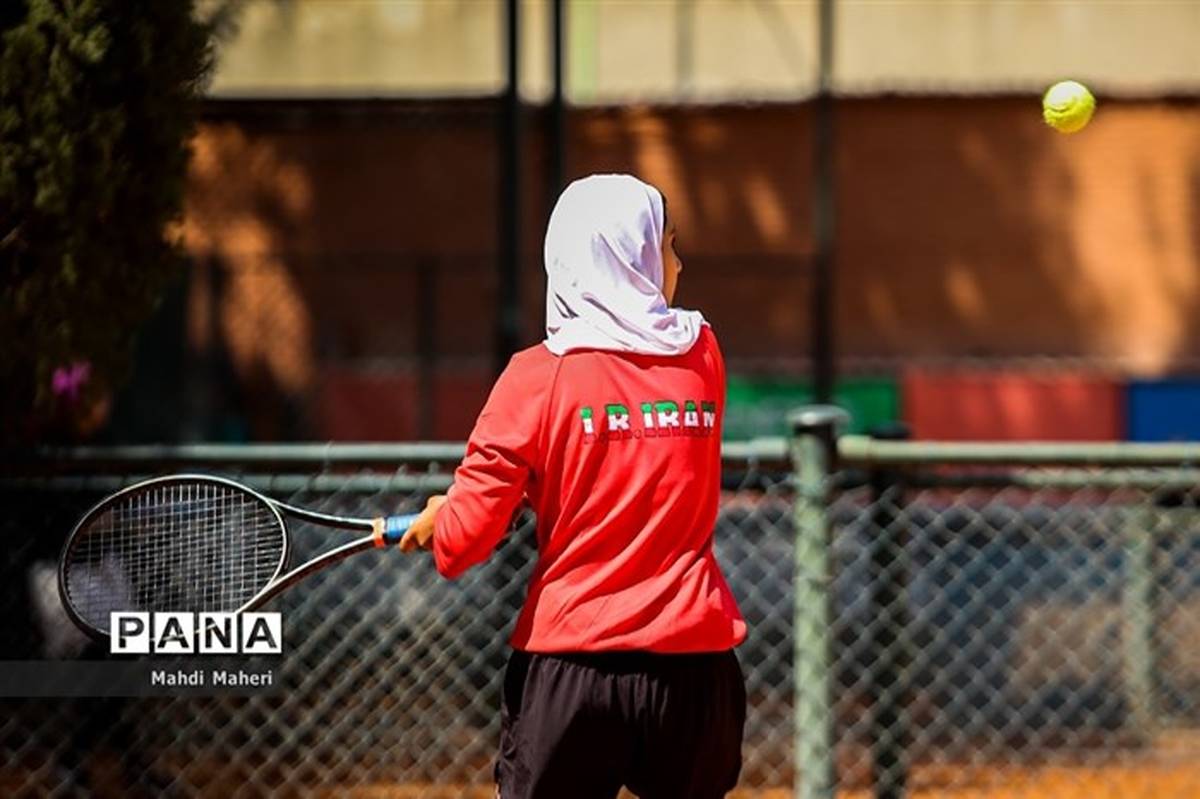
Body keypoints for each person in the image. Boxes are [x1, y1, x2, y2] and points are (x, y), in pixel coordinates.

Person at [400, 173, 747, 799]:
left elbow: (463, 544)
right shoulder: (703, 355)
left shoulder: (534, 378)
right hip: (695, 674)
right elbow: (638, 469)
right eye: (666, 244)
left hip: (572, 669)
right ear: (627, 256)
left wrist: (446, 519)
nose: (677, 263)